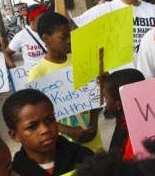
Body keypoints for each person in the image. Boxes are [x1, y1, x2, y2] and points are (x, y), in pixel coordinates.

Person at [28, 11, 103, 152]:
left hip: (94, 140)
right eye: (63, 37)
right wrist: (68, 131)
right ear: (46, 39)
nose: (69, 40)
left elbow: (94, 97)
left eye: (70, 35)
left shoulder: (81, 60)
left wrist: (94, 123)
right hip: (65, 147)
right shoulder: (37, 74)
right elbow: (36, 116)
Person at [2, 88, 94, 176]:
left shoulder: (84, 157)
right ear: (15, 135)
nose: (45, 129)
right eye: (32, 126)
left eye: (50, 120)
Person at [102, 68, 145, 159]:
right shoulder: (126, 122)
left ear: (119, 104)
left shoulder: (130, 136)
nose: (105, 102)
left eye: (106, 98)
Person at [4, 3, 48, 69]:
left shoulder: (51, 31)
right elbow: (7, 52)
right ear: (31, 21)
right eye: (40, 21)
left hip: (52, 72)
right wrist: (12, 66)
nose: (44, 23)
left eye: (45, 20)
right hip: (32, 75)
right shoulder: (21, 36)